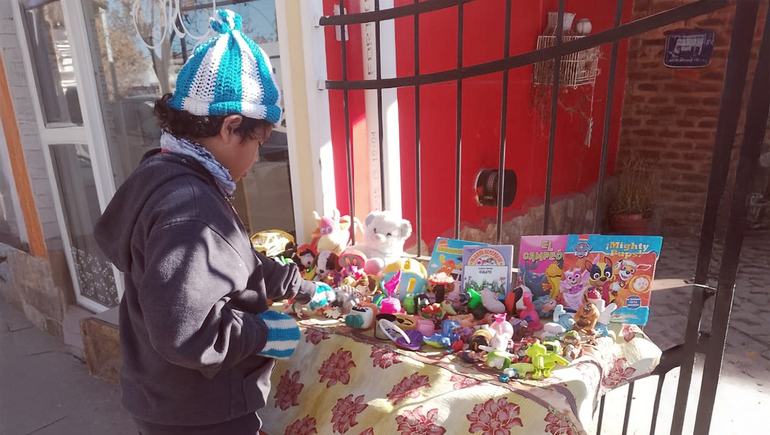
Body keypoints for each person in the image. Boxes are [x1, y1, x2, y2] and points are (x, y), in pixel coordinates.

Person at [94, 9, 323, 435]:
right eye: (260, 140)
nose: (256, 159)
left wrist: (297, 284)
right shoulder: (190, 208)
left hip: (169, 399)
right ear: (231, 126)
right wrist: (262, 332)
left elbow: (227, 260)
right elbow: (186, 333)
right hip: (198, 412)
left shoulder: (169, 173)